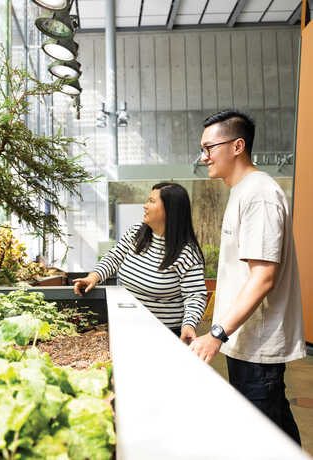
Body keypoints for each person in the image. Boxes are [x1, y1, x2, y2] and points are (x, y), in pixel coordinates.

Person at [190, 109, 306, 445]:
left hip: (259, 347)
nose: (204, 156)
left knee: (265, 440)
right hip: (244, 343)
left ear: (237, 146)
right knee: (274, 433)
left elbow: (263, 278)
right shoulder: (242, 191)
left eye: (209, 147)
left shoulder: (260, 194)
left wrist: (216, 333)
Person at [73, 182, 207, 343]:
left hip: (164, 334)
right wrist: (93, 277)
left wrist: (189, 324)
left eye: (151, 201)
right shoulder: (136, 232)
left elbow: (195, 295)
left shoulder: (187, 252)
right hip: (128, 325)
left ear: (170, 210)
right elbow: (114, 257)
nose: (145, 206)